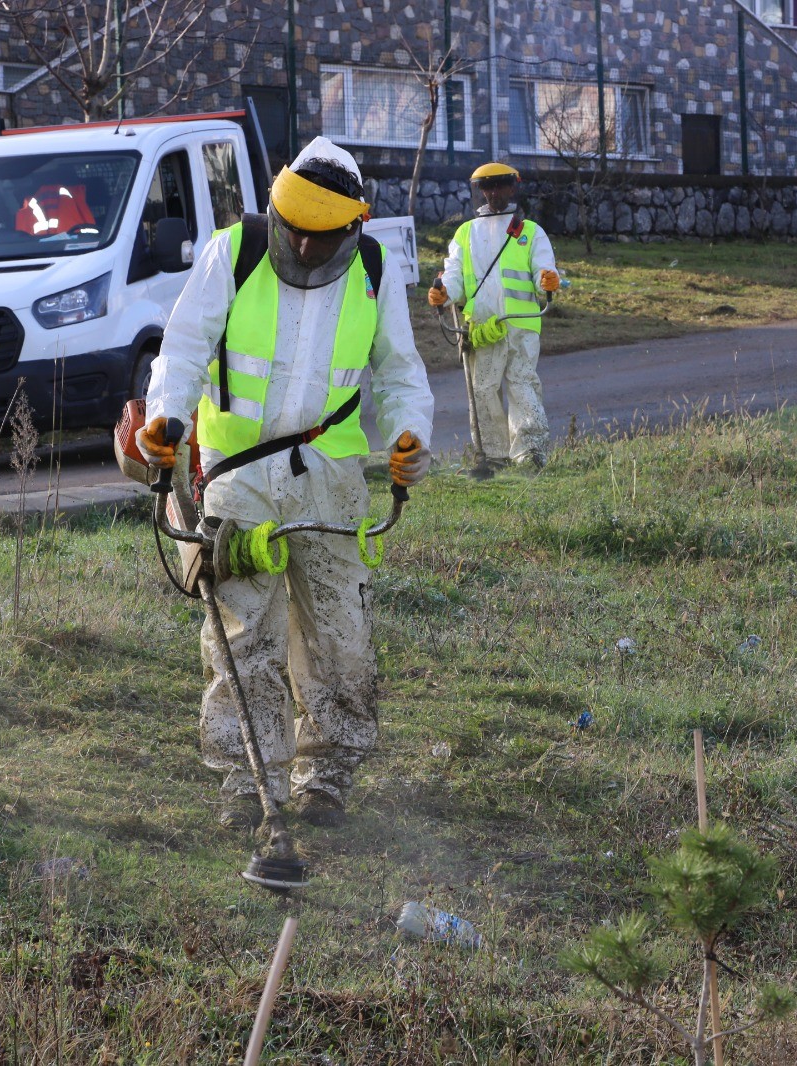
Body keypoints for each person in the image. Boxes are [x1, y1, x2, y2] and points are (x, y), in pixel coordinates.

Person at [135, 136, 434, 831]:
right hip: (239, 481)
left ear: (353, 227)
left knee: (340, 637)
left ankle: (325, 774)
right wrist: (166, 420)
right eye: (294, 228)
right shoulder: (234, 252)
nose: (302, 244)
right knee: (244, 637)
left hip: (331, 480)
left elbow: (397, 371)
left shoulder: (373, 269)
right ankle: (249, 781)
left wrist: (409, 435)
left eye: (320, 235)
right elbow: (182, 349)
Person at [429, 162, 560, 470]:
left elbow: (543, 267)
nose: (492, 192)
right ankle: (493, 456)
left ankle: (531, 454)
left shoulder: (529, 232)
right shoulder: (465, 234)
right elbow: (454, 275)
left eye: (499, 186)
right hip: (483, 329)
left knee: (522, 385)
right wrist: (444, 292)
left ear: (512, 188)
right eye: (486, 187)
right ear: (479, 192)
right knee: (484, 390)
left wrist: (547, 278)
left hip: (520, 326)